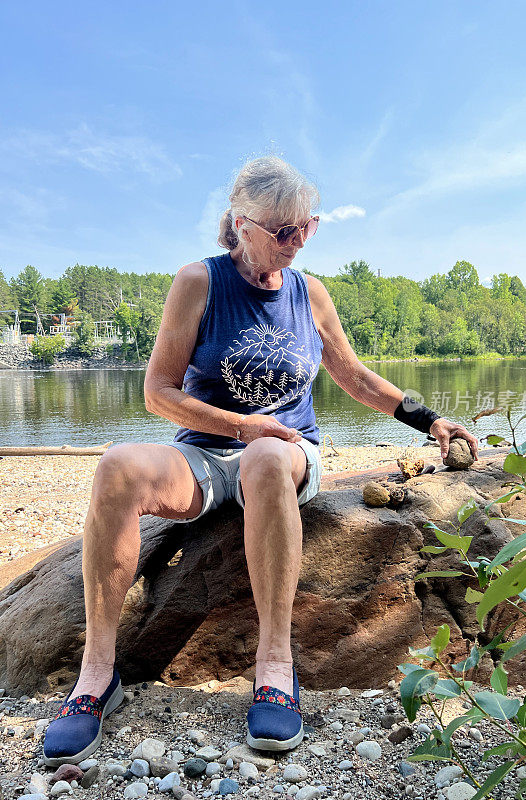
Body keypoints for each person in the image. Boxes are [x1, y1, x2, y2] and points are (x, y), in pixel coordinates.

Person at [43, 156, 479, 765]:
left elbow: (352, 377)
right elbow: (158, 392)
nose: (296, 241)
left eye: (308, 226)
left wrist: (427, 418)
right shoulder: (199, 282)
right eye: (281, 230)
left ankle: (274, 666)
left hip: (284, 454)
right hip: (207, 451)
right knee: (116, 465)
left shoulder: (309, 292)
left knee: (268, 457)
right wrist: (238, 425)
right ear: (241, 224)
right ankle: (96, 676)